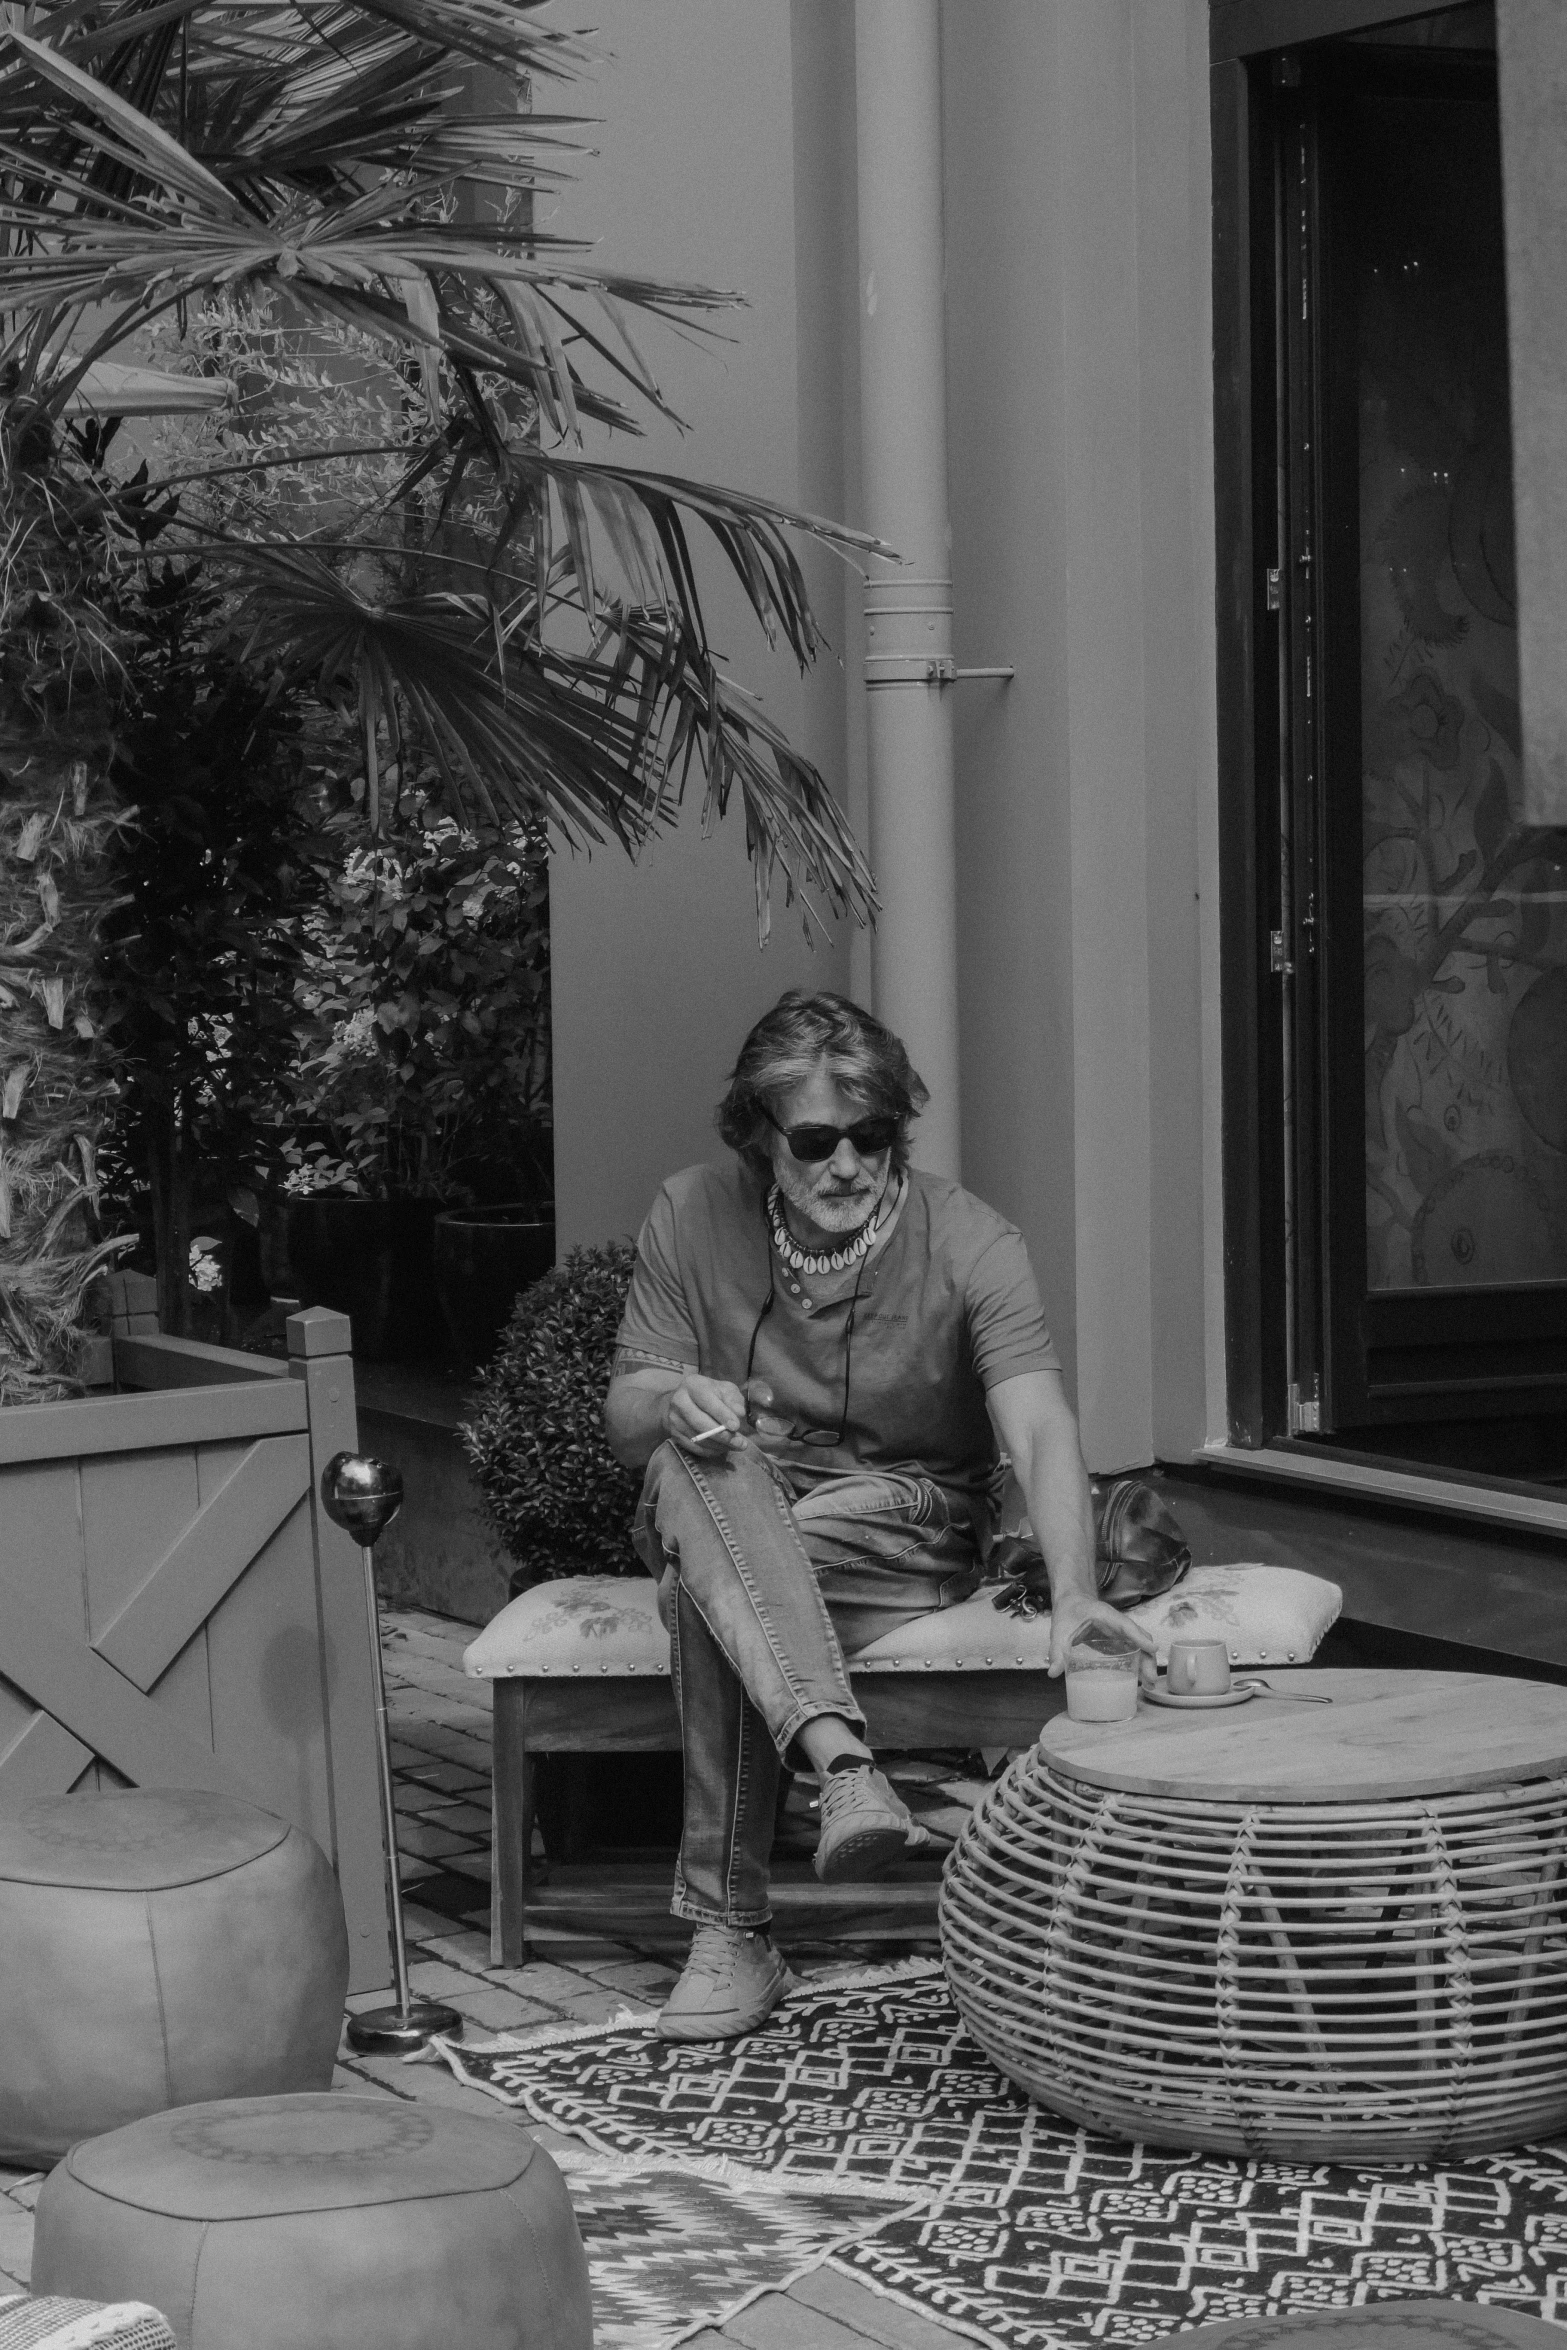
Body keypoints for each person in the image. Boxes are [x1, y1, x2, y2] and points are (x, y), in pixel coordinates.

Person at [604, 989, 1153, 2040]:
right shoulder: (690, 1211)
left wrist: (1074, 1590)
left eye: (872, 1136)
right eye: (816, 1140)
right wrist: (675, 1397)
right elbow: (628, 1415)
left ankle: (730, 1932)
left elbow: (1036, 1424)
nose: (848, 1164)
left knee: (707, 1593)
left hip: (904, 1517)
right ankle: (846, 1769)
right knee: (696, 1461)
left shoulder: (972, 1239)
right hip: (736, 1491)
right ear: (759, 1138)